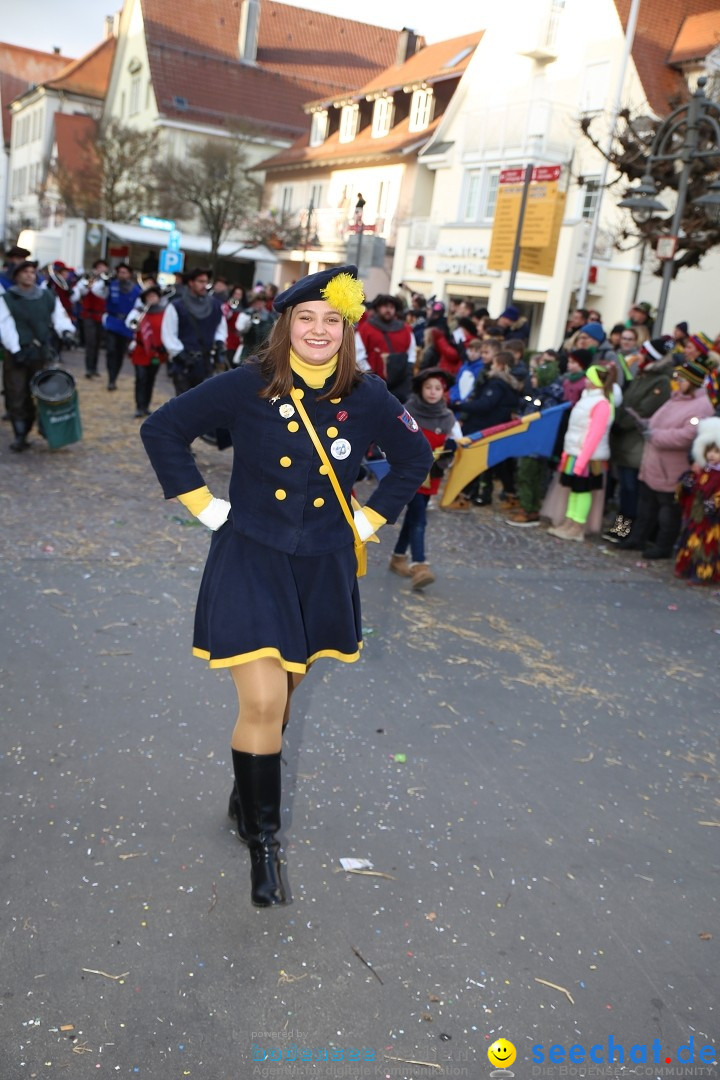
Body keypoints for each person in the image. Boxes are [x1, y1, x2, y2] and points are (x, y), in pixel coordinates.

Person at [140, 265, 432, 907]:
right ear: (287, 325)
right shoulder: (249, 385)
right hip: (251, 558)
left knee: (283, 694)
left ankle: (248, 790)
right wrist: (205, 507)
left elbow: (415, 458)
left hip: (322, 564)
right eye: (306, 317)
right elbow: (163, 430)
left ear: (348, 330)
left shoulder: (371, 395)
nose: (319, 329)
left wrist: (371, 517)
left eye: (332, 320)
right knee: (266, 700)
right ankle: (264, 845)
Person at [617, 354, 714, 559]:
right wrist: (645, 424)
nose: (677, 382)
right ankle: (636, 537)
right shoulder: (674, 398)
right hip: (651, 460)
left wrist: (656, 436)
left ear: (693, 382)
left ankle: (663, 546)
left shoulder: (702, 406)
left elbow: (688, 435)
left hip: (670, 467)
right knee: (644, 504)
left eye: (682, 379)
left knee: (668, 510)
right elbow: (657, 419)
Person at [389, 367, 463, 589]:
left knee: (414, 514)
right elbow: (392, 437)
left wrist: (452, 445)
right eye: (428, 387)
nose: (432, 392)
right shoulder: (407, 410)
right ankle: (420, 564)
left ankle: (398, 556)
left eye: (437, 388)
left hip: (433, 474)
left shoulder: (448, 417)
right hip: (409, 473)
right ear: (421, 389)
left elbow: (459, 441)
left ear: (444, 391)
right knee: (419, 517)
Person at [0, 261, 76, 451]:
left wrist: (66, 332)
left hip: (42, 352)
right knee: (17, 393)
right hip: (18, 353)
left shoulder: (48, 296)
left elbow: (59, 316)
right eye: (25, 272)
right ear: (16, 276)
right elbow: (5, 325)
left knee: (48, 392)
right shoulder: (7, 298)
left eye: (32, 272)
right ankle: (21, 434)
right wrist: (16, 349)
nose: (29, 275)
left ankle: (48, 429)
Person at [603, 337, 673, 542]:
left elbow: (643, 410)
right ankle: (621, 529)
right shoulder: (645, 375)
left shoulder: (661, 381)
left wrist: (621, 423)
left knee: (631, 490)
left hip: (636, 441)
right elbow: (627, 402)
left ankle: (629, 531)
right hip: (625, 439)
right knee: (625, 489)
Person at [547, 364, 618, 542]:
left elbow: (594, 435)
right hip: (575, 452)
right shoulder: (586, 399)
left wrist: (581, 460)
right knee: (573, 490)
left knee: (582, 491)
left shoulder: (601, 404)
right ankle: (569, 521)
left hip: (588, 456)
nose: (585, 380)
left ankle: (578, 526)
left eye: (588, 377)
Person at [505, 357, 564, 527]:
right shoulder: (542, 395)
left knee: (527, 476)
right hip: (534, 443)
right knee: (532, 476)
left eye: (536, 377)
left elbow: (541, 421)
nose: (532, 380)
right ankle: (531, 507)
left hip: (535, 445)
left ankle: (528, 509)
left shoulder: (549, 399)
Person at [161, 267, 227, 395]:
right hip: (184, 364)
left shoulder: (215, 305)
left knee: (203, 405)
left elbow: (220, 328)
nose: (204, 285)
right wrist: (179, 354)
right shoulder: (176, 306)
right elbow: (168, 334)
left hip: (206, 363)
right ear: (191, 283)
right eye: (200, 281)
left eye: (206, 282)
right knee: (183, 406)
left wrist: (219, 343)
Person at [674, 417, 720, 583]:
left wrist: (713, 504)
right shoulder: (702, 471)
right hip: (695, 514)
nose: (712, 455)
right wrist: (686, 484)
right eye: (710, 451)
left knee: (707, 545)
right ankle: (687, 567)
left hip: (711, 519)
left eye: (717, 451)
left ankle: (703, 572)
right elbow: (687, 490)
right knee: (690, 540)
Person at [357, 293, 415, 400]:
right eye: (385, 306)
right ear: (378, 308)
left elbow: (411, 353)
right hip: (374, 382)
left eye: (391, 307)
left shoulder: (406, 329)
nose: (388, 310)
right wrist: (370, 376)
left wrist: (408, 371)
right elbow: (358, 354)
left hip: (400, 383)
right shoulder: (366, 328)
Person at [100, 264, 142, 390]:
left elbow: (138, 307)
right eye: (120, 272)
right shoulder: (111, 285)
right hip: (112, 322)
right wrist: (104, 284)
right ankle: (110, 377)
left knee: (119, 353)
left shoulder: (136, 290)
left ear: (129, 274)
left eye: (125, 272)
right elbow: (98, 292)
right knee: (111, 350)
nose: (122, 274)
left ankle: (114, 378)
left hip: (125, 325)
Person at [130, 285, 167, 417]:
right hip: (141, 351)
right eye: (149, 296)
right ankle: (139, 406)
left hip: (156, 352)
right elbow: (130, 324)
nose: (151, 298)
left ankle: (146, 406)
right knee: (141, 378)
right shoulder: (139, 312)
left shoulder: (164, 312)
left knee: (151, 379)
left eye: (154, 296)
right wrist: (137, 324)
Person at [71, 259, 108, 378]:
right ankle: (88, 368)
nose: (101, 270)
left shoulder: (106, 281)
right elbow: (80, 292)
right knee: (90, 342)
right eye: (99, 267)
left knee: (98, 343)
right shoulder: (87, 279)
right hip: (89, 315)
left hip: (100, 315)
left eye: (103, 267)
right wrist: (88, 283)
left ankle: (94, 368)